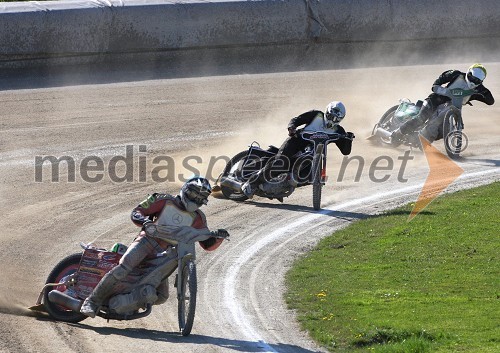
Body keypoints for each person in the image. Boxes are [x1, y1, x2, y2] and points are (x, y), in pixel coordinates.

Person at [80, 176, 229, 318]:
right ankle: (91, 302)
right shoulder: (163, 199)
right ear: (185, 189)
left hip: (166, 255)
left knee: (162, 296)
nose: (195, 199)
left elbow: (206, 244)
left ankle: (127, 303)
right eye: (193, 193)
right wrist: (145, 222)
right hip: (147, 241)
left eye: (199, 198)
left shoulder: (198, 218)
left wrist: (218, 238)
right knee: (124, 267)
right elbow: (137, 212)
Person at [241, 101, 354, 198]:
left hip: (312, 152)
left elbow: (345, 151)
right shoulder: (316, 115)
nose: (332, 121)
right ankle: (251, 183)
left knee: (307, 175)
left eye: (336, 119)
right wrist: (292, 127)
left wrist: (348, 139)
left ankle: (285, 183)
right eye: (330, 116)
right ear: (327, 112)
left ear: (340, 120)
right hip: (296, 141)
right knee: (281, 162)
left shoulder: (338, 130)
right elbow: (296, 119)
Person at [391, 63, 495, 144]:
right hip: (435, 100)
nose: (473, 81)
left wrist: (483, 93)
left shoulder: (480, 88)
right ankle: (397, 133)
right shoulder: (456, 74)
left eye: (477, 80)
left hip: (451, 107)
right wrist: (438, 87)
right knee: (421, 118)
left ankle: (422, 139)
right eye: (472, 77)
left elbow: (491, 101)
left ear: (481, 81)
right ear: (469, 73)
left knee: (443, 131)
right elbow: (439, 81)